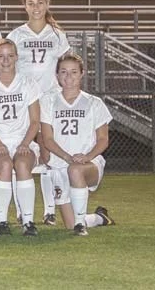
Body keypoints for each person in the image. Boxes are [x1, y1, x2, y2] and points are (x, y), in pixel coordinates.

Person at [7, 0, 71, 226]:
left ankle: (50, 208)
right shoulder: (16, 35)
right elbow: (8, 67)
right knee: (18, 151)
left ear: (47, 4)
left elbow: (64, 68)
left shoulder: (56, 34)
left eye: (39, 2)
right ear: (24, 6)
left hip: (50, 99)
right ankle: (21, 209)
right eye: (31, 3)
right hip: (23, 101)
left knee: (48, 154)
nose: (35, 7)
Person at [40, 52, 115, 236]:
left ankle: (81, 226)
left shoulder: (93, 103)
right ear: (57, 75)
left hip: (89, 164)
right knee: (68, 223)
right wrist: (67, 157)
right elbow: (47, 139)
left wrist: (87, 157)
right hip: (60, 163)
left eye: (74, 72)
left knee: (75, 170)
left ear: (82, 74)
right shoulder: (49, 101)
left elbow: (103, 139)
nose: (68, 77)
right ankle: (98, 218)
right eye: (63, 72)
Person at [0, 38, 43, 236]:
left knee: (22, 164)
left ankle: (28, 221)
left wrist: (25, 143)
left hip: (24, 141)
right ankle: (2, 221)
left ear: (16, 57)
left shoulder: (28, 84)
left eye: (10, 56)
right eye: (1, 56)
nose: (5, 60)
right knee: (5, 164)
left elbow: (35, 121)